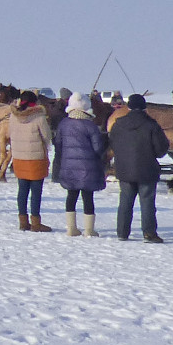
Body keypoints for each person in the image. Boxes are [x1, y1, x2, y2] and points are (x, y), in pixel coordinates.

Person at [110, 93, 171, 242]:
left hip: (124, 169)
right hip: (147, 169)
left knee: (125, 201)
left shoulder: (118, 124)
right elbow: (161, 150)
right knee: (147, 202)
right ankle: (149, 233)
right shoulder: (151, 125)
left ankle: (122, 232)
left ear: (129, 107)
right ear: (144, 108)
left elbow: (113, 144)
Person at [53, 93, 109, 237]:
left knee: (71, 195)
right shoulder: (91, 126)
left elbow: (58, 144)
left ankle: (71, 228)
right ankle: (89, 230)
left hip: (68, 166)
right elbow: (98, 148)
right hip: (88, 167)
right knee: (87, 197)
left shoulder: (64, 124)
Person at [7, 89, 56, 232]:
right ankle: (35, 223)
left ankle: (23, 222)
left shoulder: (13, 117)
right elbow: (47, 137)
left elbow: (10, 134)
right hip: (36, 159)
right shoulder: (39, 117)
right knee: (36, 192)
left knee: (22, 190)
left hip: (19, 158)